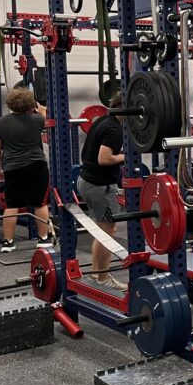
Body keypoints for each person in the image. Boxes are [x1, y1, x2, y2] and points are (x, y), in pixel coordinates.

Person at [0, 86, 50, 252]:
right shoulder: (37, 119)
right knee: (40, 203)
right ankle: (43, 239)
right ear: (30, 104)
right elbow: (51, 121)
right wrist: (41, 109)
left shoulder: (0, 123)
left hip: (12, 168)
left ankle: (8, 243)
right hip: (36, 166)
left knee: (11, 205)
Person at [78, 91, 127, 290]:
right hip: (99, 186)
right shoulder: (115, 129)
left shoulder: (103, 120)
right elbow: (104, 159)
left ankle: (95, 274)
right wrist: (127, 156)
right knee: (109, 231)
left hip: (89, 181)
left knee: (102, 230)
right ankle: (103, 277)